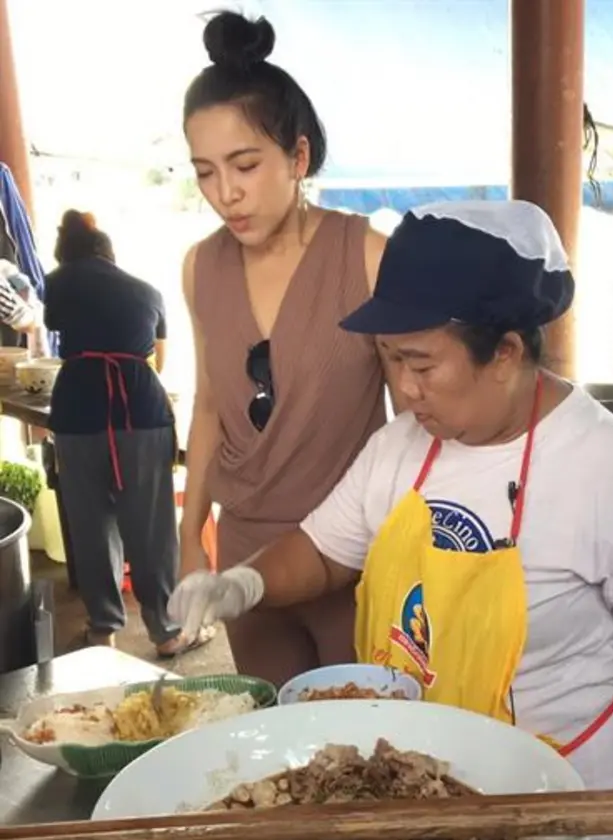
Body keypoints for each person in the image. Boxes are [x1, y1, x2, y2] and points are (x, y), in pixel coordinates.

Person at [171, 200, 613, 840]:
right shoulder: (400, 448)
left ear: (507, 353)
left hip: (565, 802)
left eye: (421, 364)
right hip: (429, 786)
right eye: (388, 360)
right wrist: (242, 585)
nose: (403, 388)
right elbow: (321, 552)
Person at [179, 11, 397, 684]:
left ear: (299, 157)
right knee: (273, 745)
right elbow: (212, 406)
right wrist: (191, 542)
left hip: (353, 550)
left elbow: (416, 416)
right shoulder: (199, 267)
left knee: (366, 749)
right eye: (206, 172)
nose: (227, 193)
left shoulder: (366, 256)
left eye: (246, 165)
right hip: (246, 553)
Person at [45, 210, 210, 656]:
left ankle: (103, 630)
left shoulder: (59, 281)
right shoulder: (147, 291)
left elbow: (47, 329)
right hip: (140, 410)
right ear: (110, 254)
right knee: (152, 524)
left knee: (91, 522)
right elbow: (158, 358)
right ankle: (168, 631)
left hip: (79, 410)